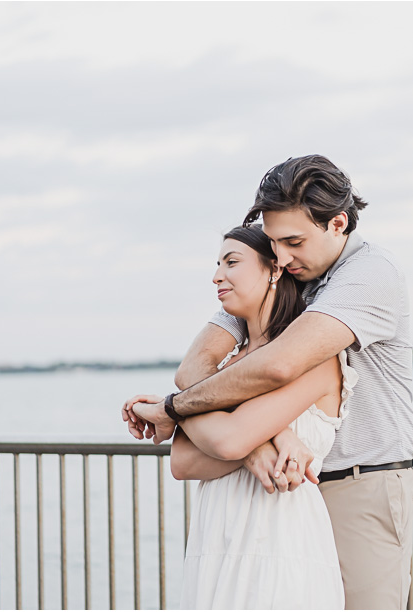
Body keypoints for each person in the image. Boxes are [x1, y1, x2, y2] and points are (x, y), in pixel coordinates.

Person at [124, 154, 413, 609]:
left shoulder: (369, 274)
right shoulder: (286, 277)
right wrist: (262, 442)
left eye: (294, 241)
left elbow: (277, 365)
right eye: (274, 242)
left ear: (338, 223)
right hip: (286, 484)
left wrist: (171, 409)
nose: (281, 255)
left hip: (360, 483)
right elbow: (196, 366)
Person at [125, 224, 354, 608]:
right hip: (216, 538)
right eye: (218, 264)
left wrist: (175, 409)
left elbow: (228, 440)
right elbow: (183, 461)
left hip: (278, 540)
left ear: (275, 270)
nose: (217, 276)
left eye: (232, 262)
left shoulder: (314, 359)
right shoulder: (223, 370)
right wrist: (270, 439)